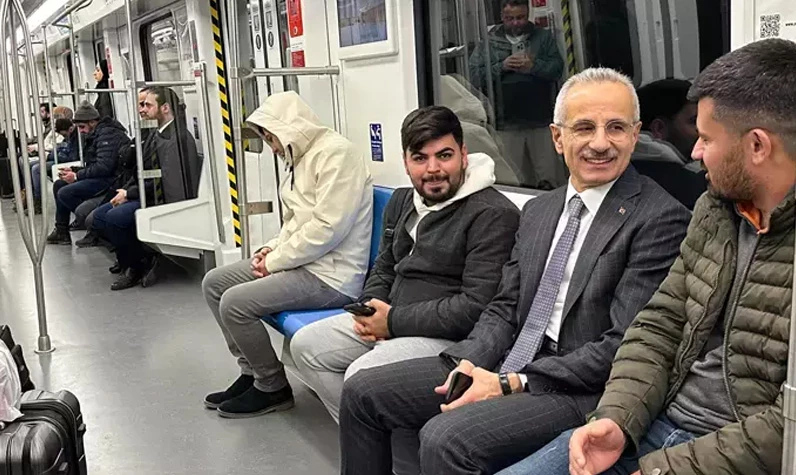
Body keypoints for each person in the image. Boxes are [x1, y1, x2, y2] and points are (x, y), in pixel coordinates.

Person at [338, 68, 691, 475]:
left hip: (577, 385)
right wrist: (471, 361)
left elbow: (623, 344)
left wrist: (512, 382)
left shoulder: (659, 218)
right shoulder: (540, 210)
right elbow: (505, 306)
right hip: (508, 358)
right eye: (584, 128)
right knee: (362, 393)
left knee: (445, 438)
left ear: (635, 134)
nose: (600, 143)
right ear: (557, 138)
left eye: (616, 127)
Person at [498, 38, 796, 475]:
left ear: (757, 146)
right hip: (658, 419)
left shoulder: (665, 214)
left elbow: (787, 424)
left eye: (706, 138)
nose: (694, 152)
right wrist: (617, 418)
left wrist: (668, 467)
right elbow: (660, 324)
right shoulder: (716, 211)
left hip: (735, 453)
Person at [290, 106, 520, 421]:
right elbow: (384, 266)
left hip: (447, 336)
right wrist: (370, 309)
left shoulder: (492, 214)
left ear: (464, 155)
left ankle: (375, 440)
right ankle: (365, 436)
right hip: (392, 319)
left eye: (444, 156)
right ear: (406, 162)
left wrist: (393, 322)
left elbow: (475, 308)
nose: (433, 169)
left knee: (361, 377)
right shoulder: (402, 202)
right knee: (305, 346)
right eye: (420, 158)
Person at [201, 91, 373, 418]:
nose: (272, 147)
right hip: (302, 263)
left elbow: (327, 228)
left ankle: (272, 387)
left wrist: (275, 262)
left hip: (331, 275)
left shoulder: (339, 155)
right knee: (215, 283)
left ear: (290, 129)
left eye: (271, 138)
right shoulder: (301, 158)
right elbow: (294, 221)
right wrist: (271, 248)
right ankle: (252, 371)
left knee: (235, 303)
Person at [91, 87, 200, 289]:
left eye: (147, 105)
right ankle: (133, 256)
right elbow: (143, 170)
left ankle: (135, 266)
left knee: (114, 218)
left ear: (165, 108)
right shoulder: (156, 133)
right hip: (150, 191)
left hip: (165, 198)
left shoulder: (176, 138)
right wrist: (126, 191)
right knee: (97, 217)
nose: (141, 109)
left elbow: (167, 180)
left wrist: (130, 193)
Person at [469, 0, 565, 189]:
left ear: (528, 15)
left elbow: (557, 69)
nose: (515, 23)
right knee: (513, 180)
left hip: (540, 119)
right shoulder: (489, 43)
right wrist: (501, 67)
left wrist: (533, 66)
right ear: (502, 17)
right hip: (505, 122)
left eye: (520, 18)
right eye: (509, 18)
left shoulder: (542, 38)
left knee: (549, 178)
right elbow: (474, 76)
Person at [46, 102, 130, 245]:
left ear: (92, 122)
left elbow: (104, 167)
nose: (81, 131)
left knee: (65, 192)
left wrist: (77, 176)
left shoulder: (108, 135)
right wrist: (74, 170)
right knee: (59, 184)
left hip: (112, 180)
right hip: (102, 176)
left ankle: (92, 224)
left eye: (82, 127)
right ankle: (61, 230)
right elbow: (94, 164)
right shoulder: (97, 134)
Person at [632, 79, 706, 209]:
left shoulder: (621, 175)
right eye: (694, 121)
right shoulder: (691, 188)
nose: (702, 130)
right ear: (659, 128)